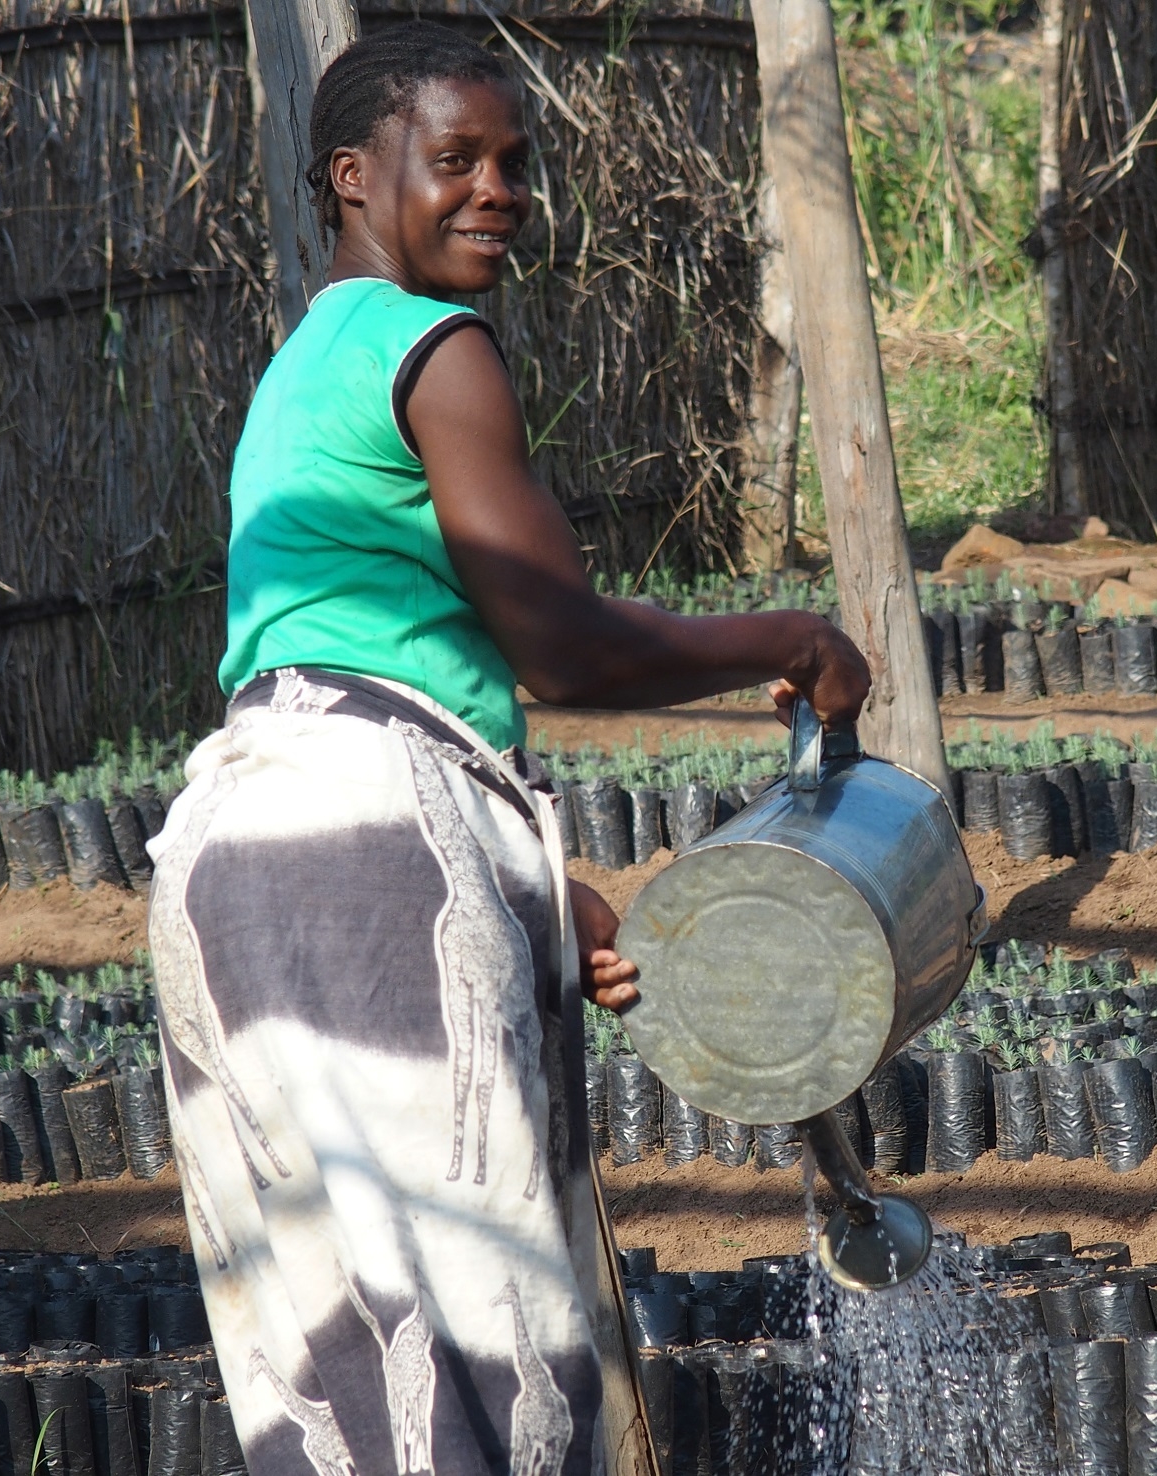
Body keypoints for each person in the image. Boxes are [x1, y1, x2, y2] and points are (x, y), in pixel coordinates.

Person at [146, 22, 868, 1475]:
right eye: (456, 159)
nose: (499, 192)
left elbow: (363, 683)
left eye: (516, 165)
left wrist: (532, 893)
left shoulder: (302, 366)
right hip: (367, 849)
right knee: (474, 1352)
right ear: (354, 178)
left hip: (229, 854)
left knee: (335, 1349)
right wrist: (785, 641)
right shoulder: (438, 346)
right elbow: (559, 643)